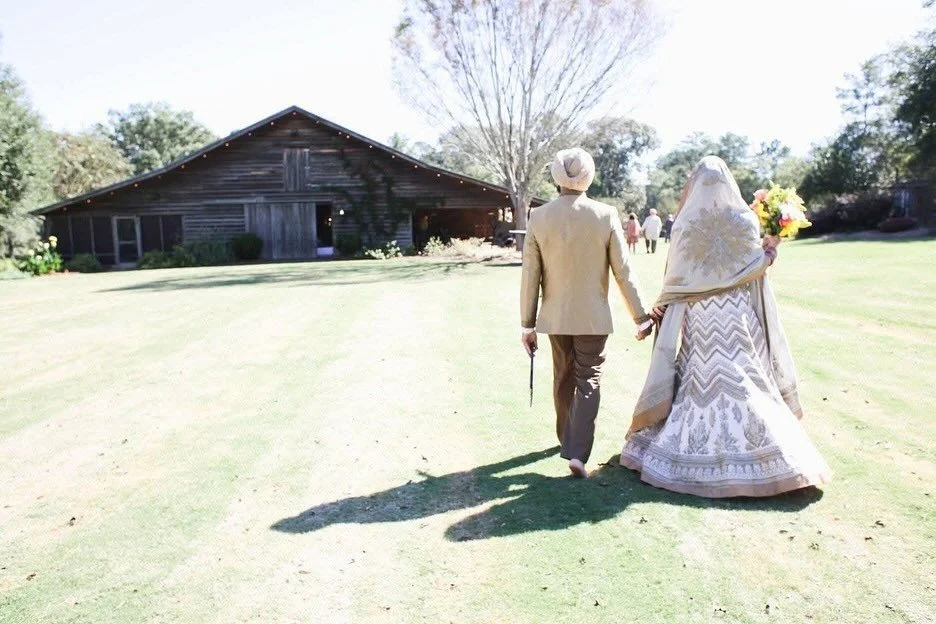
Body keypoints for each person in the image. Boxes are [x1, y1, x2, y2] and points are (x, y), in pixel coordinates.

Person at [620, 156, 831, 498]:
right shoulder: (745, 220)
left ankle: (693, 451)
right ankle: (772, 454)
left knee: (700, 377)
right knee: (745, 375)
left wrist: (663, 305)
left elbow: (677, 276)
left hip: (700, 313)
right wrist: (770, 253)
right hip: (736, 312)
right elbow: (753, 266)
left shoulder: (686, 224)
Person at [521, 148, 653, 479]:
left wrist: (527, 324)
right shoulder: (605, 215)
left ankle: (567, 439)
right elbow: (623, 270)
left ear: (556, 178)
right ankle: (577, 451)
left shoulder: (539, 217)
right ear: (588, 177)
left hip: (555, 316)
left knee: (562, 376)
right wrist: (640, 316)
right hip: (594, 316)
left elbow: (530, 275)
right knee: (588, 379)